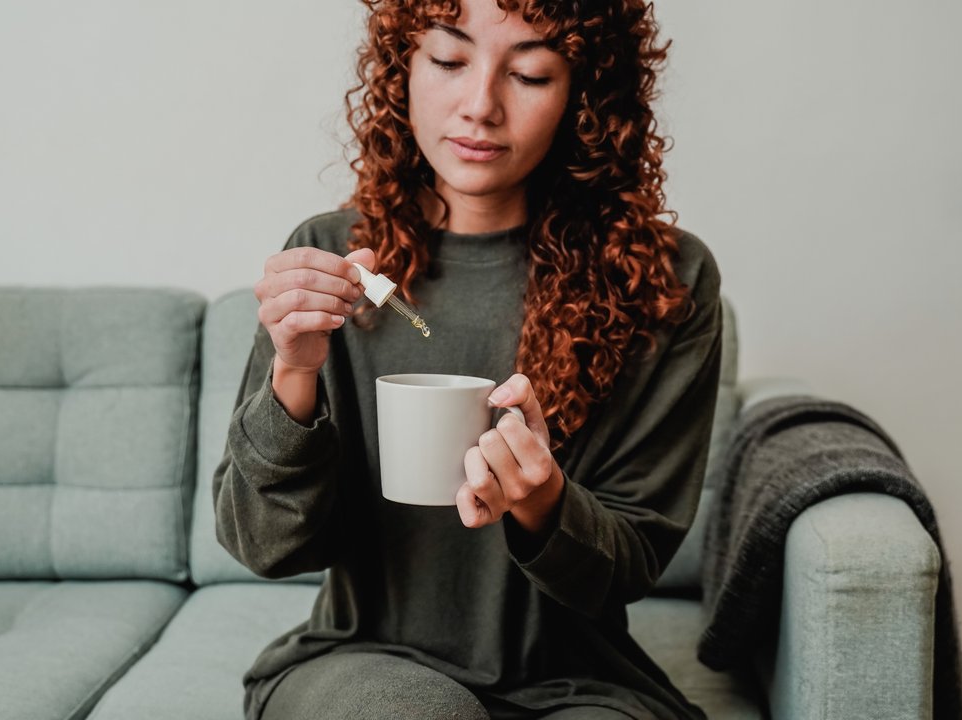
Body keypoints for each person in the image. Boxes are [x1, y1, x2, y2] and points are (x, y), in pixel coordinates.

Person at [213, 0, 723, 718]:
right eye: (449, 61)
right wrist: (294, 375)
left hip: (578, 682)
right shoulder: (336, 259)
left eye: (531, 73)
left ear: (585, 95)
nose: (480, 106)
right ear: (403, 70)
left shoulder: (661, 281)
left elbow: (627, 566)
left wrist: (543, 502)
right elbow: (263, 545)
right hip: (365, 664)